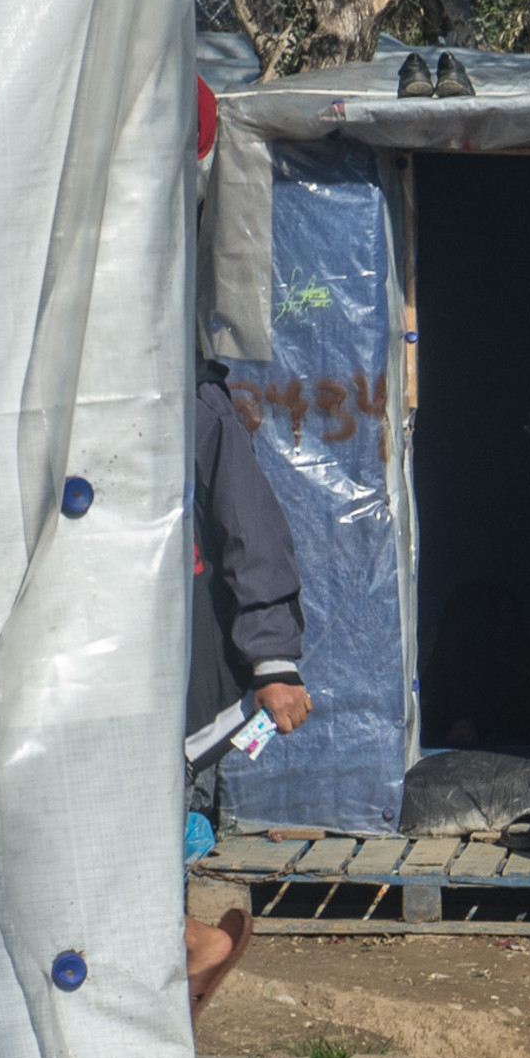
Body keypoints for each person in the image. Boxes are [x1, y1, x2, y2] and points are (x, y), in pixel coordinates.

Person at [185, 362, 313, 1014]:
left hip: (181, 669)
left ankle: (189, 945)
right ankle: (187, 946)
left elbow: (249, 526)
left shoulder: (192, 401)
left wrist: (273, 663)